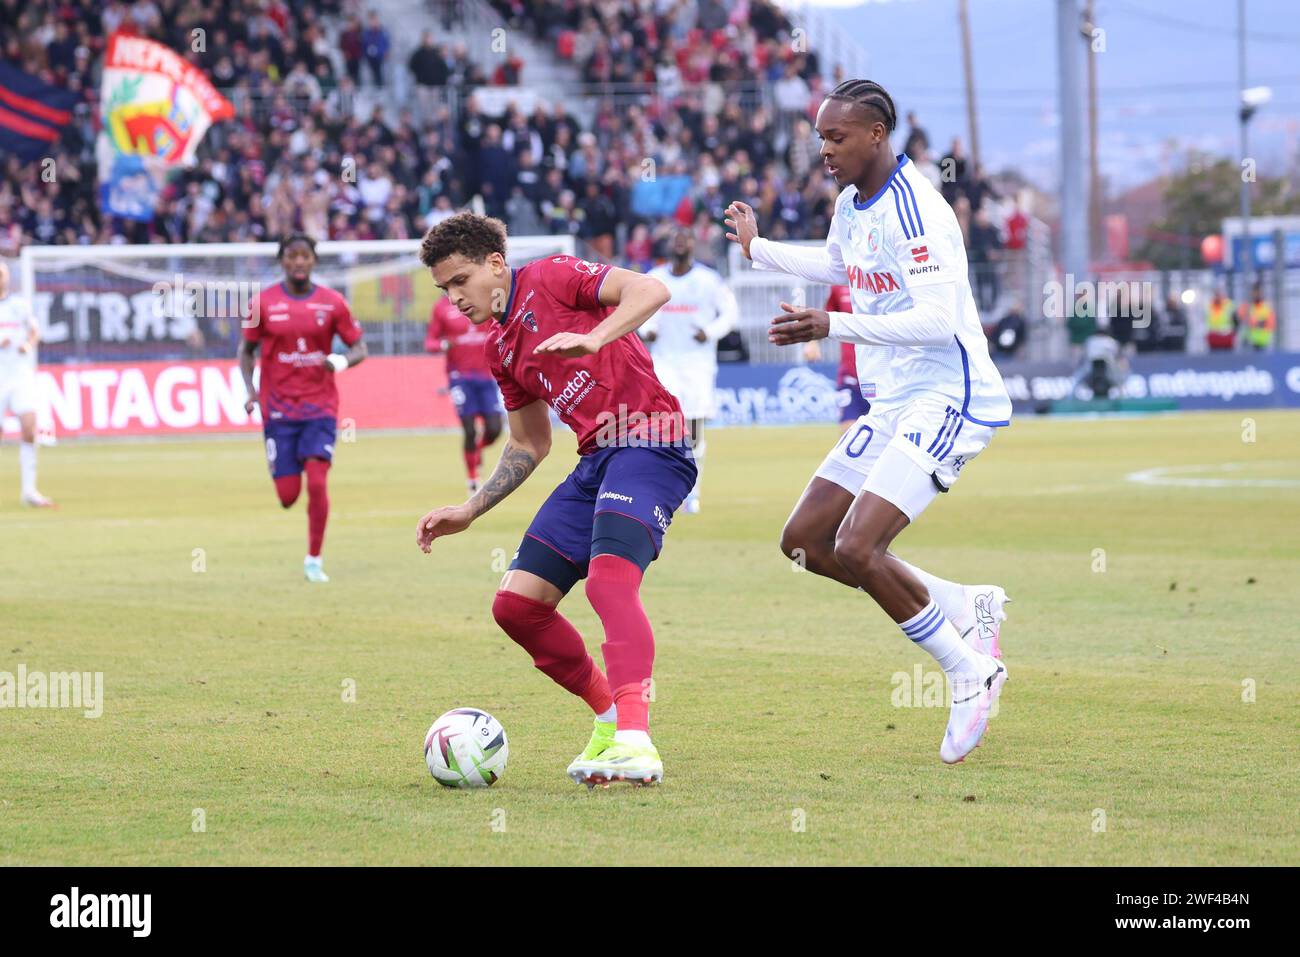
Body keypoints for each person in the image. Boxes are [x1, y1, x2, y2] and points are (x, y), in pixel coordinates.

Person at [726, 79, 1010, 765]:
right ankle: (964, 602)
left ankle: (970, 669)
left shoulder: (920, 212)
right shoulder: (854, 202)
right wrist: (761, 250)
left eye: (836, 137)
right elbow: (836, 262)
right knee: (805, 540)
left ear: (877, 134)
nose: (824, 150)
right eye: (821, 138)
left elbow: (939, 321)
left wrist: (835, 320)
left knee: (857, 547)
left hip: (950, 394)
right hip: (896, 396)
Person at [414, 213, 695, 787]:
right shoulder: (501, 349)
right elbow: (530, 442)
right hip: (595, 461)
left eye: (461, 281)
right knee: (517, 607)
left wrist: (594, 336)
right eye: (445, 289)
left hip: (651, 440)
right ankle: (611, 717)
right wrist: (470, 509)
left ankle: (636, 745)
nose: (454, 299)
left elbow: (652, 288)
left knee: (608, 582)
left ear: (496, 264)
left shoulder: (553, 275)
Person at [238, 235, 368, 583]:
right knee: (287, 496)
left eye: (305, 256)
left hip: (319, 406)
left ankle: (314, 559)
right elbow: (246, 351)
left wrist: (339, 361)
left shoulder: (332, 303)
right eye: (292, 256)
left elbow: (360, 348)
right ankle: (284, 463)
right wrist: (251, 391)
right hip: (278, 409)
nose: (298, 262)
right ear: (282, 261)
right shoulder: (262, 304)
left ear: (313, 261)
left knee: (317, 481)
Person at [643, 227, 737, 512]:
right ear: (669, 244)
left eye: (686, 239)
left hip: (697, 365)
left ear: (693, 244)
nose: (681, 243)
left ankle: (692, 495)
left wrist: (709, 332)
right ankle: (661, 489)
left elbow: (731, 314)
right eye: (676, 239)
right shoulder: (654, 279)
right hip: (663, 362)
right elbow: (634, 310)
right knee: (661, 428)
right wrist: (647, 329)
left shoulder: (709, 280)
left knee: (694, 430)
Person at [425, 294, 503, 493]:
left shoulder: (481, 299)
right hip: (459, 377)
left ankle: (477, 449)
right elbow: (430, 341)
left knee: (494, 429)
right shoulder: (441, 307)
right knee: (469, 429)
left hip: (486, 376)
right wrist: (443, 345)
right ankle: (473, 479)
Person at [0, 261, 53, 507]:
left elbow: (35, 331)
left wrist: (28, 345)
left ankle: (29, 491)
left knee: (29, 429)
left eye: (2, 273)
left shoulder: (19, 306)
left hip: (20, 375)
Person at [802, 284, 870, 432]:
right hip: (851, 374)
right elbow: (826, 318)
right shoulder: (839, 287)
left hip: (881, 374)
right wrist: (813, 342)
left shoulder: (883, 281)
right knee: (849, 433)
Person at [1241, 283, 1275, 351]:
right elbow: (1241, 320)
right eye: (1255, 292)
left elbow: (1271, 324)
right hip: (1249, 343)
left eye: (1258, 292)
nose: (1256, 294)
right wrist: (1259, 322)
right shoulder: (1246, 306)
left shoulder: (1267, 307)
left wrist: (1256, 323)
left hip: (1264, 343)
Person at [1205, 287, 1236, 352]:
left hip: (1226, 337)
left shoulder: (1229, 305)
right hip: (1213, 338)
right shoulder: (1209, 306)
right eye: (1217, 294)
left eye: (1219, 294)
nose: (1218, 297)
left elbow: (1236, 320)